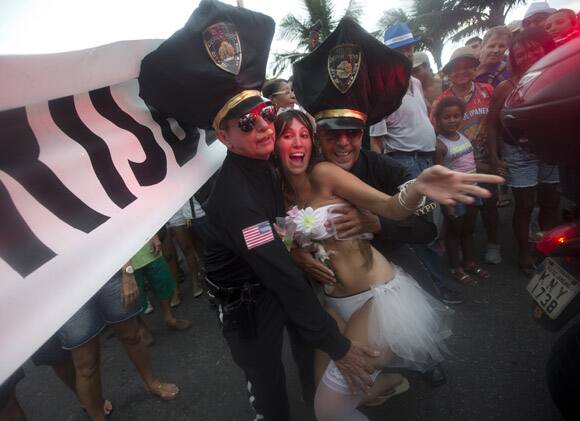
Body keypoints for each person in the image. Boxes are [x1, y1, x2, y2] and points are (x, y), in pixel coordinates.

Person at [138, 3, 378, 419]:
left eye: (265, 114)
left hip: (274, 275)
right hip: (245, 302)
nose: (265, 127)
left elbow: (281, 228)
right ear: (224, 137)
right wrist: (338, 345)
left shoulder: (266, 163)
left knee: (307, 354)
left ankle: (319, 405)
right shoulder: (237, 199)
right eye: (246, 124)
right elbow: (279, 269)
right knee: (266, 383)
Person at [272, 107, 501, 420]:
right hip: (331, 306)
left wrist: (418, 186)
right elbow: (284, 238)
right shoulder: (274, 194)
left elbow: (390, 207)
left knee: (329, 411)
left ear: (311, 142)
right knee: (325, 400)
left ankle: (400, 371)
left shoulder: (325, 174)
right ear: (275, 144)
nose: (297, 143)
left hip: (376, 297)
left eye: (302, 135)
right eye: (287, 136)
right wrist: (296, 254)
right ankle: (387, 380)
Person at [371, 22, 463, 308]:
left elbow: (421, 121)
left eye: (410, 48)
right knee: (419, 229)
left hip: (426, 160)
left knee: (433, 226)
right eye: (401, 49)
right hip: (404, 163)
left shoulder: (415, 83)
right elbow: (376, 143)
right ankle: (434, 287)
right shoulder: (381, 89)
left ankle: (432, 281)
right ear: (389, 54)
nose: (408, 54)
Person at [57, 269, 179, 421]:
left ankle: (151, 383)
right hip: (61, 289)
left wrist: (127, 272)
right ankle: (97, 417)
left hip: (105, 268)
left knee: (131, 335)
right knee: (86, 365)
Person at [486, 28, 560, 277]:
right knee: (525, 204)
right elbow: (492, 125)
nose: (527, 56)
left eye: (532, 49)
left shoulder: (557, 76)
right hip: (518, 152)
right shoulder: (505, 87)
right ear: (513, 58)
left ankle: (547, 248)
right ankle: (524, 254)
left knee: (550, 201)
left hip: (552, 149)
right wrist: (496, 158)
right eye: (520, 53)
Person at [432, 47, 501, 267]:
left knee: (489, 203)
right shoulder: (441, 100)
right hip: (457, 163)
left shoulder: (488, 90)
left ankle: (492, 244)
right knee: (460, 214)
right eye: (456, 69)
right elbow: (438, 139)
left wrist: (495, 158)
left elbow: (494, 125)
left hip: (484, 157)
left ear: (475, 68)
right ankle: (458, 256)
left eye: (467, 67)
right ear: (449, 73)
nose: (461, 72)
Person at [433, 96, 488, 285]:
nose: (452, 120)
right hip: (455, 196)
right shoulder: (439, 145)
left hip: (472, 191)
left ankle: (469, 262)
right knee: (454, 232)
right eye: (447, 117)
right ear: (438, 119)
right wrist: (447, 203)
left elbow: (470, 164)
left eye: (456, 116)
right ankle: (455, 267)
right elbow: (440, 178)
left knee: (469, 230)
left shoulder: (463, 136)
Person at [131, 234, 191, 342]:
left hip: (146, 245)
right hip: (122, 258)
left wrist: (153, 235)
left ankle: (169, 317)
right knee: (134, 295)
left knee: (163, 281)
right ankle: (141, 327)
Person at [163, 200, 205, 306]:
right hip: (158, 215)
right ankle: (175, 289)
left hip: (176, 209)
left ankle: (195, 281)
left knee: (186, 247)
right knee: (168, 256)